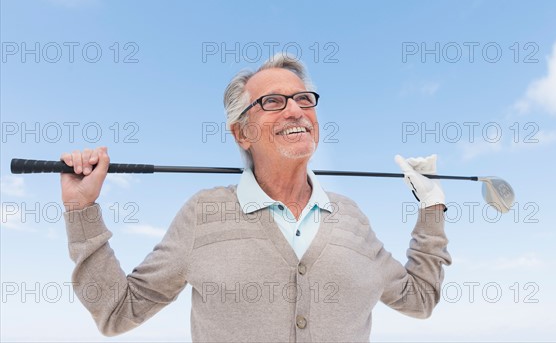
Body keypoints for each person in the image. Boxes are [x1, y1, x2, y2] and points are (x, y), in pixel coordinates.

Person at [60, 54, 452, 342]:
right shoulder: (204, 213)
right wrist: (81, 211)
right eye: (273, 102)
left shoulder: (351, 217)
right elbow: (117, 311)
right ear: (242, 133)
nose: (296, 111)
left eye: (304, 99)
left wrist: (432, 207)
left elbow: (418, 299)